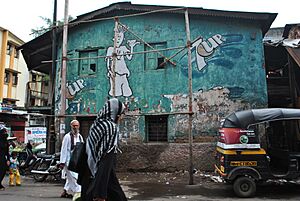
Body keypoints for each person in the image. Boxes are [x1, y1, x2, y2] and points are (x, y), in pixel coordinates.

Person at [83, 98, 127, 201]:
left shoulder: (96, 124)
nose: (122, 117)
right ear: (116, 113)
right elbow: (107, 156)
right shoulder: (111, 127)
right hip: (102, 174)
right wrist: (100, 192)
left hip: (91, 170)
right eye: (121, 114)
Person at [60, 120, 83, 198]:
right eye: (74, 126)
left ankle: (65, 191)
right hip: (68, 160)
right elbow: (64, 149)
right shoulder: (67, 137)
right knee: (73, 177)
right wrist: (62, 162)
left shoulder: (80, 136)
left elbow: (82, 148)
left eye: (77, 125)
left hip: (76, 161)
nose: (75, 127)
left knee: (70, 177)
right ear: (71, 126)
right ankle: (78, 192)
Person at [0, 124, 10, 190]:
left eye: (6, 132)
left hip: (3, 158)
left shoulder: (6, 141)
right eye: (4, 132)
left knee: (3, 170)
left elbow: (7, 151)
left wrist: (8, 159)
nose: (5, 133)